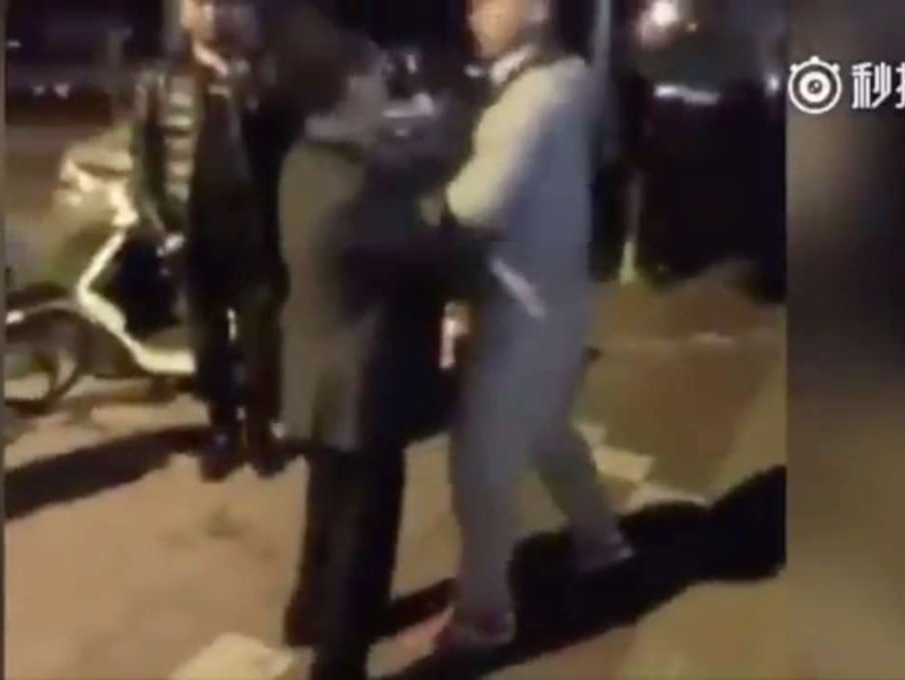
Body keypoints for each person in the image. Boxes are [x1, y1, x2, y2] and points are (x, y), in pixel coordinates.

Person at [272, 29, 477, 678]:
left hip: (315, 370)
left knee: (326, 503)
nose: (386, 89)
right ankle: (339, 656)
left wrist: (445, 139)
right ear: (348, 91)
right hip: (362, 379)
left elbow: (400, 166)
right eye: (374, 79)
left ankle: (307, 611)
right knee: (365, 524)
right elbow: (435, 255)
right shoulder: (353, 192)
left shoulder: (308, 157)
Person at [432, 0, 634, 651]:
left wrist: (402, 193)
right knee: (548, 431)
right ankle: (601, 540)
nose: (472, 11)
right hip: (558, 299)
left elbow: (470, 208)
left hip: (518, 311)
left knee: (481, 467)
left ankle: (484, 612)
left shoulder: (529, 102)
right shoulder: (569, 77)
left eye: (491, 0)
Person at [129, 0, 299, 478]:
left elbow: (286, 153)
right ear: (183, 16)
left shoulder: (263, 77)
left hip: (254, 234)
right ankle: (222, 431)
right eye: (199, 4)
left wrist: (246, 85)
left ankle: (260, 431)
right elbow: (144, 168)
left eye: (221, 4)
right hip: (194, 238)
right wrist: (165, 231)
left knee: (262, 343)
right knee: (208, 347)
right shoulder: (158, 81)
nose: (212, 13)